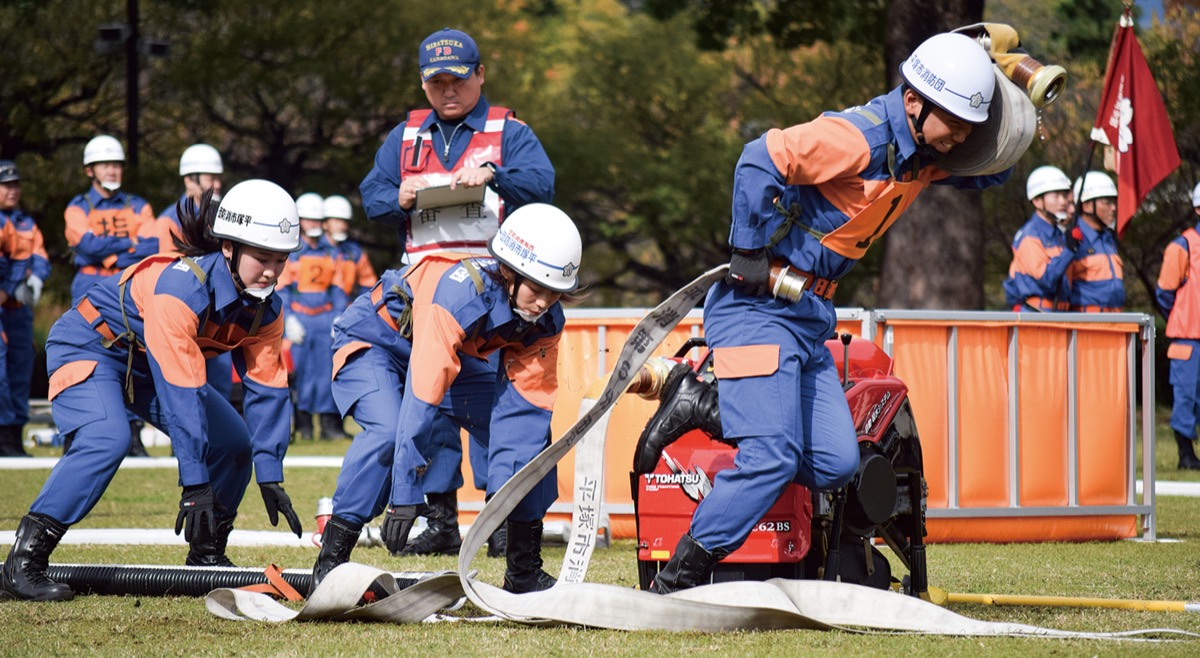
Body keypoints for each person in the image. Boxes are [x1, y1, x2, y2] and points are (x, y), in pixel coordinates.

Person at [643, 32, 1012, 594]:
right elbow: (759, 156)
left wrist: (1007, 84)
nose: (964, 134)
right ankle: (678, 579)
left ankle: (706, 402)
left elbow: (993, 167)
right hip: (757, 308)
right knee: (771, 457)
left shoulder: (924, 155)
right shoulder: (858, 135)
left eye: (969, 122)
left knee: (836, 465)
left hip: (809, 316)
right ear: (914, 102)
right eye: (957, 119)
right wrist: (748, 250)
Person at [0, 180, 305, 601]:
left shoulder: (266, 309)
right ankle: (25, 562)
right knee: (107, 439)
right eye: (262, 258)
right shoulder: (181, 290)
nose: (272, 271)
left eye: (281, 259)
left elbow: (269, 389)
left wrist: (270, 474)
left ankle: (206, 555)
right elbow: (182, 394)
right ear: (229, 249)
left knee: (234, 444)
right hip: (91, 343)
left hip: (147, 361)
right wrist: (194, 484)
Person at [309, 203, 581, 595]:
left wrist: (502, 500)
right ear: (508, 272)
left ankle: (523, 570)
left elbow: (526, 409)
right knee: (387, 432)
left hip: (445, 353)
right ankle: (332, 561)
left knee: (535, 442)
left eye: (554, 294)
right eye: (536, 290)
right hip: (376, 341)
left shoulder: (546, 322)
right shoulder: (460, 295)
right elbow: (423, 397)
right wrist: (404, 493)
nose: (543, 303)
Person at [358, 27, 555, 554]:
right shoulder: (404, 136)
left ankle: (499, 524)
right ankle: (441, 522)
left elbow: (542, 185)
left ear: (480, 75)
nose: (448, 91)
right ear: (423, 84)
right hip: (423, 287)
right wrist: (396, 197)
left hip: (491, 287)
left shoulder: (507, 130)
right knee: (434, 402)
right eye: (436, 81)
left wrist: (495, 175)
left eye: (458, 80)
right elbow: (370, 195)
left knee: (491, 407)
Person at [64, 135, 160, 456]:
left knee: (134, 355)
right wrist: (127, 246)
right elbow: (85, 246)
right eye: (105, 165)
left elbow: (152, 246)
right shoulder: (77, 207)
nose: (112, 170)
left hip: (129, 285)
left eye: (116, 164)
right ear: (89, 170)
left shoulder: (139, 205)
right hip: (89, 286)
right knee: (86, 357)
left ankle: (133, 434)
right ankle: (77, 431)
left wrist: (108, 252)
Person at [158, 144, 234, 400]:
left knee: (220, 379)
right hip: (186, 308)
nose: (218, 183)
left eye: (218, 177)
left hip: (219, 306)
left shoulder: (225, 215)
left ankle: (220, 438)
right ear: (190, 179)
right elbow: (170, 270)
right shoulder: (169, 220)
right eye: (211, 178)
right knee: (187, 379)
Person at [278, 192, 349, 441]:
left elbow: (339, 288)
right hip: (300, 316)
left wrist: (339, 315)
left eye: (317, 220)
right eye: (308, 220)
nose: (313, 225)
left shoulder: (332, 252)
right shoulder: (292, 250)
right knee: (300, 372)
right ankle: (303, 426)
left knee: (328, 371)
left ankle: (330, 426)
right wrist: (288, 318)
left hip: (325, 317)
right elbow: (282, 286)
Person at [0, 160, 50, 458]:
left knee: (19, 368)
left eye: (16, 184)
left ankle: (14, 434)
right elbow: (19, 260)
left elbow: (38, 256)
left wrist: (36, 278)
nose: (13, 190)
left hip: (18, 309)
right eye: (6, 185)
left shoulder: (25, 223)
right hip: (5, 301)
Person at [1154, 182, 1200, 471]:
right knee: (1186, 395)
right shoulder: (1182, 245)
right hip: (1187, 338)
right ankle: (1186, 456)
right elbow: (1164, 293)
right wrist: (1183, 317)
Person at [1003, 165, 1075, 312]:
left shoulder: (1059, 235)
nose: (1062, 201)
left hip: (1057, 315)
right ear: (1037, 201)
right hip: (1036, 315)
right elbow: (1046, 280)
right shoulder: (1030, 236)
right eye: (1055, 195)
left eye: (1064, 195)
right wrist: (1068, 251)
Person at [1067, 171, 1124, 312]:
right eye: (1106, 202)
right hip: (1087, 322)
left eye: (1114, 201)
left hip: (1116, 319)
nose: (1113, 208)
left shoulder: (1108, 239)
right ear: (1086, 206)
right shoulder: (1071, 239)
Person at [323, 194, 378, 299]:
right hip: (316, 311)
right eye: (336, 220)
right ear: (325, 223)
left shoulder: (355, 252)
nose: (341, 226)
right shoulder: (313, 249)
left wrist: (358, 307)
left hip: (345, 310)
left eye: (344, 221)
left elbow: (368, 283)